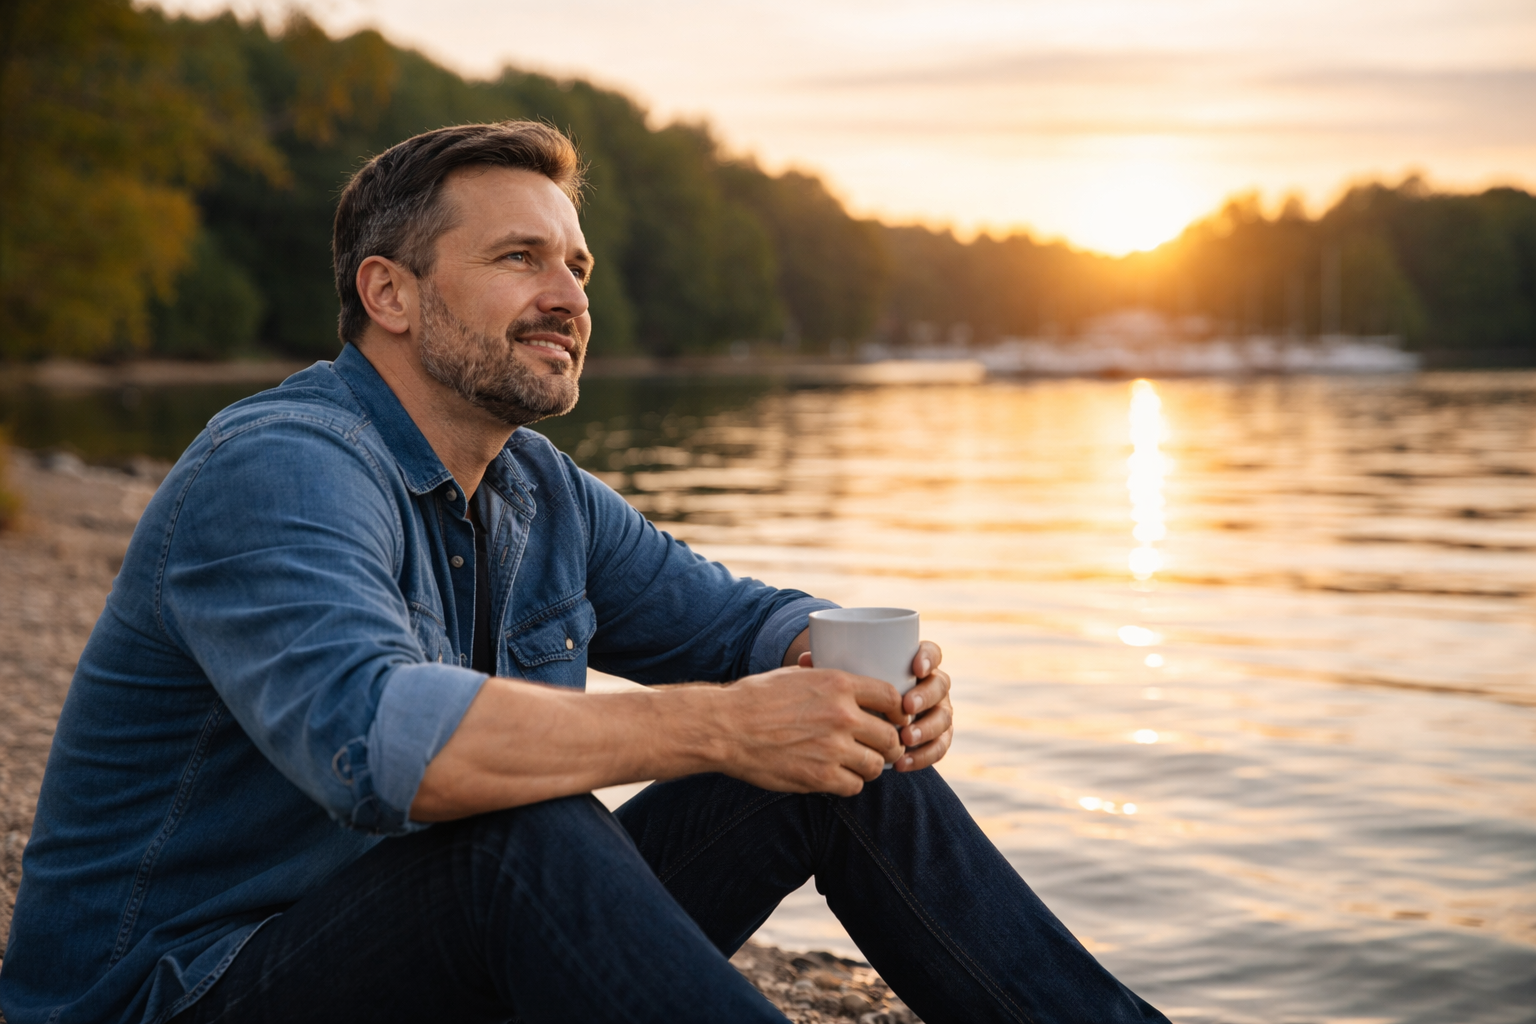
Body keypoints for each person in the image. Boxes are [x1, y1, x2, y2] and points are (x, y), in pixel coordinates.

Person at [0, 121, 1168, 1024]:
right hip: (184, 991)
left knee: (829, 759)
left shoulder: (534, 486)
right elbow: (379, 740)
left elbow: (739, 623)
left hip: (426, 962)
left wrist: (848, 672)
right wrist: (721, 726)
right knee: (524, 830)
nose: (569, 296)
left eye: (577, 262)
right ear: (389, 293)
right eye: (520, 257)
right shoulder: (282, 467)